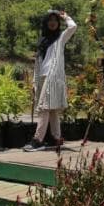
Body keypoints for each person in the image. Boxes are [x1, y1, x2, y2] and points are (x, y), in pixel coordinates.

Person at [23, 10, 77, 151]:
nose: (52, 22)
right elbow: (37, 63)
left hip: (53, 76)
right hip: (43, 77)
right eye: (50, 20)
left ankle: (38, 140)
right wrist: (35, 82)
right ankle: (56, 138)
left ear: (58, 23)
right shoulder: (42, 41)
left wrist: (65, 17)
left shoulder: (61, 38)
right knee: (52, 109)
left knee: (44, 107)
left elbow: (72, 27)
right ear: (46, 23)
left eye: (55, 20)